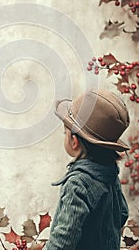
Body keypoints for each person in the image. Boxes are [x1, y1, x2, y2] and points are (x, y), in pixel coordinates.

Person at [41, 89, 130, 250]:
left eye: (65, 133)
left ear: (74, 141)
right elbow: (122, 213)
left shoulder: (77, 184)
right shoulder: (109, 171)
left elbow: (62, 242)